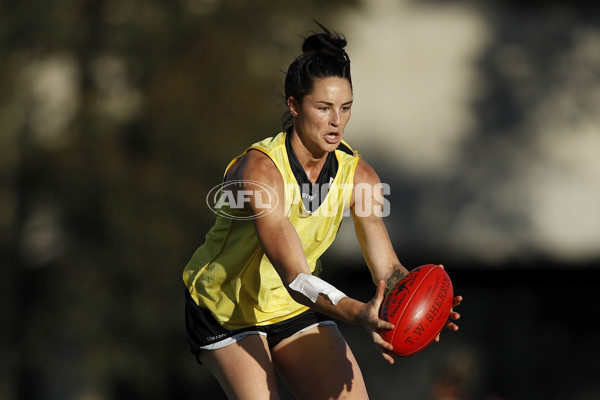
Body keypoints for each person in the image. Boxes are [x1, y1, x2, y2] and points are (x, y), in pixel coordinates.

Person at [183, 22, 462, 399]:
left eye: (346, 108)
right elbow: (296, 276)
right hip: (226, 310)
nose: (337, 121)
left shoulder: (359, 177)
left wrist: (423, 306)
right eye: (324, 108)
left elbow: (389, 272)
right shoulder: (261, 172)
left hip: (291, 307)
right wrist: (358, 313)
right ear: (294, 105)